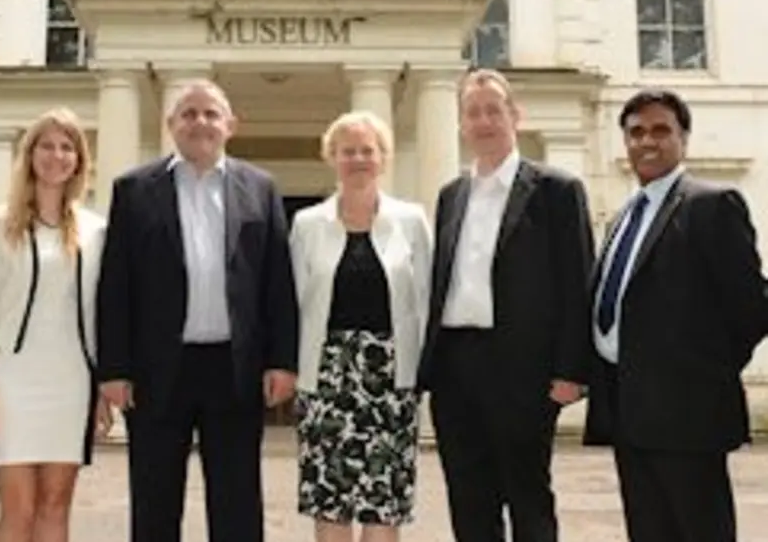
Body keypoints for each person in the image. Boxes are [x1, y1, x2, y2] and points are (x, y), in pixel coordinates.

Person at [97, 78, 300, 542]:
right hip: (156, 369)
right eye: (188, 113)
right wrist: (114, 368)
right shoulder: (134, 189)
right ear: (171, 125)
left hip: (234, 368)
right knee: (154, 500)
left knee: (236, 502)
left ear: (230, 125)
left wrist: (282, 360)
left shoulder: (260, 188)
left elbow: (277, 283)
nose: (200, 122)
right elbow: (116, 284)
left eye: (210, 114)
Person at [416, 68, 594, 542]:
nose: (484, 121)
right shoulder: (451, 195)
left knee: (528, 496)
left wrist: (571, 371)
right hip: (455, 367)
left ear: (515, 115)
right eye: (473, 113)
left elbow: (578, 284)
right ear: (461, 124)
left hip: (524, 370)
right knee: (469, 500)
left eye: (494, 110)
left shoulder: (556, 190)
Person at [583, 89, 768, 542]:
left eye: (661, 130)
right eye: (636, 132)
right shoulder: (624, 217)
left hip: (690, 417)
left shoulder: (711, 204)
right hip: (629, 413)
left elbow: (752, 306)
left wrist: (704, 373)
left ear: (683, 138)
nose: (648, 141)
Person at [0, 107, 112, 542]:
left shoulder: (96, 229)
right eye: (47, 145)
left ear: (79, 161)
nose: (57, 155)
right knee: (19, 509)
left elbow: (98, 315)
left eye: (67, 147)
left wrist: (102, 388)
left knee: (55, 506)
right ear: (29, 154)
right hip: (12, 382)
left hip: (71, 382)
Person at [289, 111, 432, 542]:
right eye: (347, 150)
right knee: (330, 500)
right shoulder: (307, 224)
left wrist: (426, 371)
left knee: (382, 503)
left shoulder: (411, 220)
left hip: (391, 380)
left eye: (367, 150)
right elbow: (295, 303)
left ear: (383, 158)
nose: (358, 159)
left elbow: (425, 298)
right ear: (331, 157)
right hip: (327, 377)